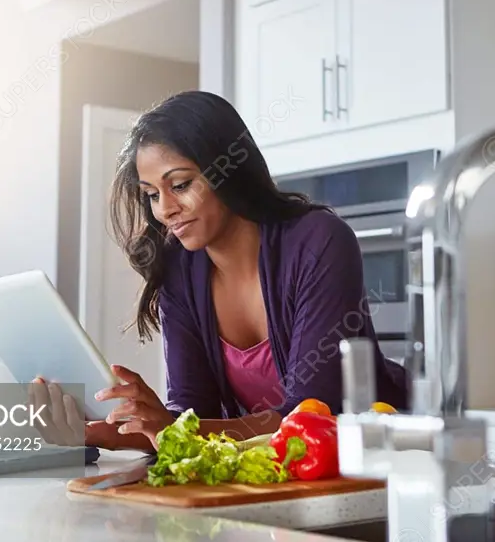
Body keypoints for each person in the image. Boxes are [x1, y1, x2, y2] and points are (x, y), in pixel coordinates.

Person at [32, 91, 409, 451]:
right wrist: (102, 430)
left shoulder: (319, 242)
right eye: (151, 194)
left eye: (180, 185)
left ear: (229, 171)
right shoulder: (180, 270)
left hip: (384, 459)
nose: (164, 210)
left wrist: (169, 425)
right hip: (284, 471)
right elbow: (196, 417)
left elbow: (311, 414)